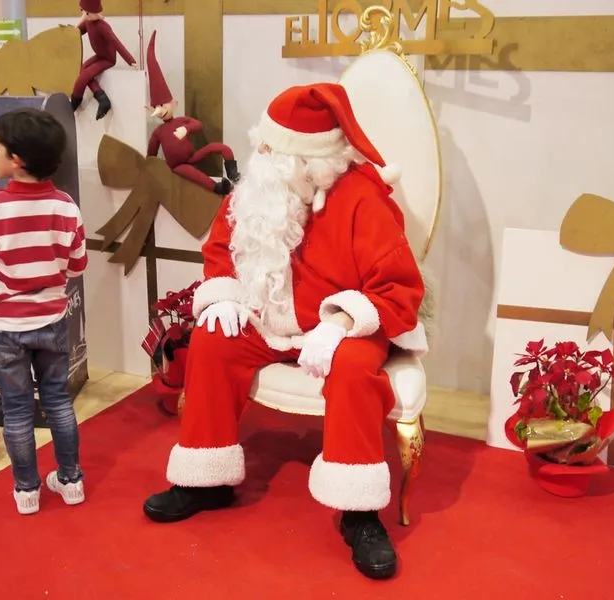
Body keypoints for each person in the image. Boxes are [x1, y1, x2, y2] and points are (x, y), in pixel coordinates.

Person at [143, 83, 428, 580]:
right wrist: (225, 294)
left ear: (312, 163)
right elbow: (221, 249)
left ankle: (360, 513)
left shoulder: (363, 198)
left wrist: (340, 324)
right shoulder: (257, 188)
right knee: (212, 339)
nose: (262, 154)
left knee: (355, 369)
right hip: (269, 320)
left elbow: (399, 289)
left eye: (274, 150)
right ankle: (206, 479)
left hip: (342, 327)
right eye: (264, 144)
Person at [0, 108, 88, 516]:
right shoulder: (66, 207)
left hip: (4, 326)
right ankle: (71, 481)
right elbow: (77, 266)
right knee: (59, 402)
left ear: (16, 159)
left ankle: (27, 491)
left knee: (16, 409)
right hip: (51, 320)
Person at [145, 30, 239, 195]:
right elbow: (151, 153)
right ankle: (217, 187)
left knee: (221, 148)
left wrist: (186, 129)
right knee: (195, 175)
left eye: (164, 104)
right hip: (177, 166)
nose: (161, 110)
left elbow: (197, 124)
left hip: (192, 156)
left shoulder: (181, 120)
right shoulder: (158, 132)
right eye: (157, 107)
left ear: (174, 103)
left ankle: (234, 175)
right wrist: (150, 168)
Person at [70, 0, 137, 120]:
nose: (84, 15)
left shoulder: (102, 26)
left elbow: (115, 42)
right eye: (83, 11)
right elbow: (78, 32)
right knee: (82, 69)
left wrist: (130, 59)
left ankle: (73, 103)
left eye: (86, 13)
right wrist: (70, 31)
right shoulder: (89, 22)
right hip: (100, 56)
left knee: (83, 77)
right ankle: (103, 99)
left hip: (108, 58)